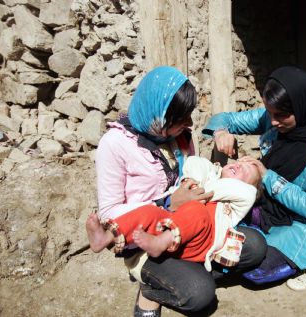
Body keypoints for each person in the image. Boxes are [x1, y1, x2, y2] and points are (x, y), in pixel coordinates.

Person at [91, 66, 267, 317]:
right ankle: (151, 286)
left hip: (190, 229)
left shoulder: (181, 137)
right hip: (146, 238)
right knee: (200, 295)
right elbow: (109, 213)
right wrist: (166, 202)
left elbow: (192, 175)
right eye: (181, 119)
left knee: (255, 246)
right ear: (160, 116)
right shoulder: (115, 145)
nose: (190, 124)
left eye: (189, 116)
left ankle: (181, 270)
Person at [203, 66, 306, 293]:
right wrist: (220, 133)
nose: (273, 122)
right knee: (228, 240)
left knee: (255, 272)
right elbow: (224, 119)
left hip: (303, 224)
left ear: (302, 108)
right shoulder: (273, 118)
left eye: (281, 115)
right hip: (268, 206)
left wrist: (266, 175)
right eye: (269, 113)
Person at [87, 156, 261, 272]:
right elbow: (193, 162)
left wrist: (198, 190)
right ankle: (106, 237)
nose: (238, 165)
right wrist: (196, 179)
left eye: (245, 170)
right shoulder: (211, 174)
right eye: (238, 162)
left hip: (202, 242)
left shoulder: (239, 200)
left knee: (198, 210)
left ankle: (161, 242)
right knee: (150, 212)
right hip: (173, 224)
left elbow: (243, 191)